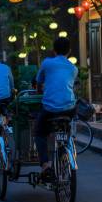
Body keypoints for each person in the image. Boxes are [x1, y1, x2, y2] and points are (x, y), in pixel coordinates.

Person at [34, 37, 78, 178]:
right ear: (69, 51)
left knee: (40, 133)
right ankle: (67, 146)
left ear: (54, 50)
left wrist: (41, 91)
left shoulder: (47, 63)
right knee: (67, 128)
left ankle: (46, 165)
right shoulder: (73, 68)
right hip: (69, 108)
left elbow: (39, 82)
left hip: (50, 109)